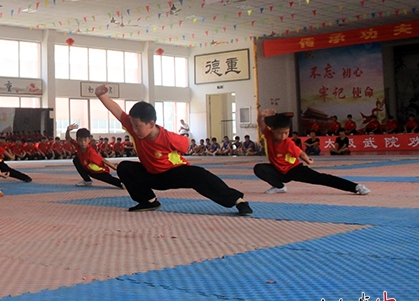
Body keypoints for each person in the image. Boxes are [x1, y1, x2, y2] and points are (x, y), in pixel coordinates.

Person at [94, 84, 252, 215]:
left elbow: (186, 144)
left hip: (171, 173)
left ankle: (238, 201)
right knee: (124, 167)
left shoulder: (168, 137)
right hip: (150, 174)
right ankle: (148, 201)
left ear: (151, 123)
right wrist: (100, 95)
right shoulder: (134, 126)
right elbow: (116, 111)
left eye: (138, 126)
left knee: (199, 175)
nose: (134, 130)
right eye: (133, 125)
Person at [254, 109, 369, 195]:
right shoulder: (267, 134)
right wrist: (264, 113)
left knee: (323, 178)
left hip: (294, 170)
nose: (283, 136)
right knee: (259, 168)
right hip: (278, 171)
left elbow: (300, 153)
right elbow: (261, 119)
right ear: (272, 130)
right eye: (280, 133)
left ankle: (356, 187)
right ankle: (279, 187)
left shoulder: (288, 143)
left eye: (286, 132)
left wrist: (308, 161)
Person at [66, 124, 122, 188]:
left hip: (97, 171)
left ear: (89, 139)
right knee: (76, 160)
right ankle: (87, 180)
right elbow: (68, 138)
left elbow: (103, 160)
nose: (83, 143)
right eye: (81, 140)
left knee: (110, 180)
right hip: (87, 167)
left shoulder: (91, 152)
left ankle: (124, 184)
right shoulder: (78, 146)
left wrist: (115, 168)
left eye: (85, 140)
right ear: (77, 140)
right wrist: (68, 130)